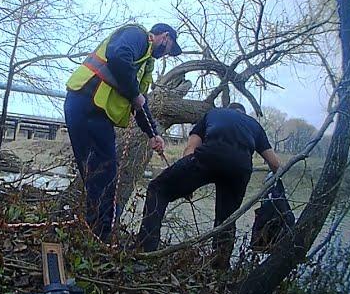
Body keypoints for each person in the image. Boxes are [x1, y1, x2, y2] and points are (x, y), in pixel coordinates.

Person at [64, 23, 182, 243]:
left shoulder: (145, 64)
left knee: (100, 174)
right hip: (86, 103)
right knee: (102, 173)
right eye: (169, 48)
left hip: (95, 112)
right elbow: (118, 57)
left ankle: (95, 234)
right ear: (165, 37)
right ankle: (101, 236)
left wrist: (152, 134)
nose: (166, 54)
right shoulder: (137, 35)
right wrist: (135, 94)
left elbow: (139, 103)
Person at [136, 102, 282, 269]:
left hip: (209, 156)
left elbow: (191, 147)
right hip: (240, 168)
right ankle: (220, 268)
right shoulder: (254, 125)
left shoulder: (213, 113)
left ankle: (146, 253)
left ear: (227, 110)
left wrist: (185, 183)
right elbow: (274, 164)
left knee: (158, 189)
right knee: (226, 219)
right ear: (243, 113)